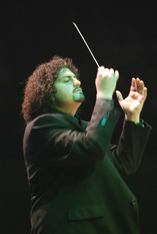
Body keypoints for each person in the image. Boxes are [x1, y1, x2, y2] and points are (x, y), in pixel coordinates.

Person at [22, 55, 151, 234]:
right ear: (47, 93)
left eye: (75, 78)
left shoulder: (86, 129)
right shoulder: (40, 128)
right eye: (66, 80)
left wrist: (132, 118)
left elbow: (124, 163)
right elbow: (92, 147)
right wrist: (104, 97)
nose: (76, 82)